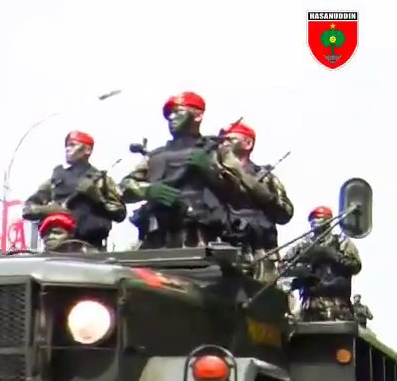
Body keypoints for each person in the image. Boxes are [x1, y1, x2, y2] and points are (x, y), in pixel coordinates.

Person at [119, 92, 264, 249]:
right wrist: (148, 190)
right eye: (169, 114)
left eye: (178, 112)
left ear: (198, 116)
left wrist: (210, 171)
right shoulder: (156, 156)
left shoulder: (217, 152)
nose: (172, 118)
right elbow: (123, 188)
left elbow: (242, 194)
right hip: (157, 241)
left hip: (202, 241)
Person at [22, 131, 126, 249]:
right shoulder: (56, 180)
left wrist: (97, 197)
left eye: (72, 145)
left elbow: (120, 214)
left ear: (88, 150)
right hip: (56, 246)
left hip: (91, 248)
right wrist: (49, 210)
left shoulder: (101, 180)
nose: (67, 149)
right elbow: (27, 210)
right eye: (66, 146)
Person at [219, 120, 294, 281]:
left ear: (248, 143)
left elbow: (285, 213)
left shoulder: (265, 177)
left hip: (260, 255)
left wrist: (250, 183)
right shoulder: (216, 175)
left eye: (231, 139)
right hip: (223, 250)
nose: (225, 144)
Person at [285, 206, 361, 322]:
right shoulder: (304, 245)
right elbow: (284, 265)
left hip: (337, 305)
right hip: (309, 305)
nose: (316, 224)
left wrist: (333, 256)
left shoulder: (340, 241)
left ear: (328, 222)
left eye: (320, 220)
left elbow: (356, 266)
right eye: (313, 221)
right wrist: (301, 272)